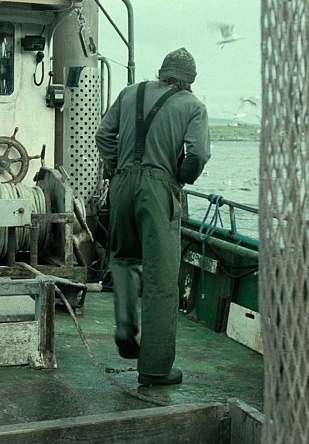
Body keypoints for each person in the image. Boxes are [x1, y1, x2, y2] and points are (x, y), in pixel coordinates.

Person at [95, 47, 210, 386]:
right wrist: (180, 178)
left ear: (162, 72)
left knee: (124, 259)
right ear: (189, 81)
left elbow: (103, 135)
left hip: (121, 185)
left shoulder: (129, 92)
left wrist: (118, 168)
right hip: (158, 188)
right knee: (161, 277)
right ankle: (155, 368)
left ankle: (125, 326)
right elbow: (198, 153)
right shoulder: (193, 106)